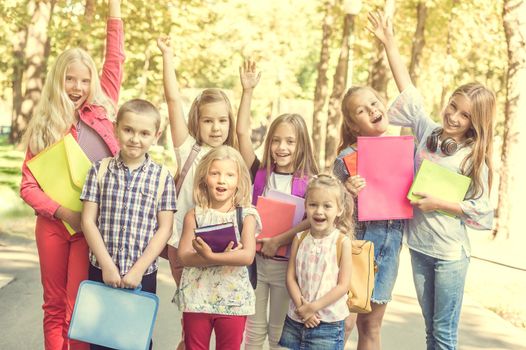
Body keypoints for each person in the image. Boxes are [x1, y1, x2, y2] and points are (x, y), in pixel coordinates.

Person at [369, 10, 495, 350]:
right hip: (420, 248)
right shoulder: (427, 132)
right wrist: (389, 42)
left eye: (464, 114)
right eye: (453, 106)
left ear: (475, 122)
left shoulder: (473, 157)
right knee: (429, 332)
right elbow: (408, 90)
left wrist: (440, 203)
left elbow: (483, 210)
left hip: (450, 254)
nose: (453, 116)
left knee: (443, 335)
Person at [19, 1, 123, 348]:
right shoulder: (45, 124)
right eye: (70, 79)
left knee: (77, 306)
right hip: (54, 225)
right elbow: (27, 187)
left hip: (88, 227)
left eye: (84, 79)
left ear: (93, 81)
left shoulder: (103, 107)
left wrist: (115, 9)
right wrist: (63, 213)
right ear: (58, 80)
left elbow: (115, 58)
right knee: (52, 304)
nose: (77, 86)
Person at [157, 36, 239, 349]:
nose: (216, 127)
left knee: (213, 320)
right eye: (208, 120)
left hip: (222, 250)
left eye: (222, 120)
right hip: (184, 247)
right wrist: (168, 56)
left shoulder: (234, 157)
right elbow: (173, 101)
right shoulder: (188, 150)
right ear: (198, 122)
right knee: (192, 320)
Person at [80, 99, 177, 349]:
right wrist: (107, 265)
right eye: (128, 130)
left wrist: (137, 270)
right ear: (116, 128)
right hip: (101, 270)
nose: (135, 138)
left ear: (156, 135)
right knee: (100, 339)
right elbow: (88, 221)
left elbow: (164, 228)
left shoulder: (162, 177)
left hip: (142, 274)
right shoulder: (99, 170)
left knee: (135, 340)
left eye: (144, 133)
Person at [237, 60, 319, 349]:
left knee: (278, 332)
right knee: (254, 330)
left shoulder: (310, 183)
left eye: (290, 142)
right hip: (257, 263)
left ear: (301, 146)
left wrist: (280, 240)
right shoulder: (260, 173)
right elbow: (243, 134)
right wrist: (247, 92)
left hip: (289, 268)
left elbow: (315, 218)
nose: (281, 148)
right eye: (276, 141)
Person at [333, 84, 404, 348]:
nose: (372, 111)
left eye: (374, 103)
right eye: (362, 111)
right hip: (357, 247)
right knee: (346, 322)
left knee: (371, 326)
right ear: (353, 125)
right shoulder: (346, 158)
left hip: (389, 247)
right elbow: (329, 204)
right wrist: (346, 192)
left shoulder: (402, 151)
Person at [175, 145, 262, 350]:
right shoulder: (194, 215)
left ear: (239, 180)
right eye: (215, 173)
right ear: (205, 177)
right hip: (197, 297)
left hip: (234, 301)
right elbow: (184, 256)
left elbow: (247, 256)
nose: (222, 180)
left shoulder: (246, 215)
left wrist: (210, 256)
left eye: (230, 175)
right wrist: (215, 256)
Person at [278, 174, 353, 350]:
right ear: (306, 206)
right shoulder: (299, 238)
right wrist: (302, 308)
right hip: (295, 320)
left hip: (328, 324)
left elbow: (343, 286)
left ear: (339, 209)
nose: (319, 211)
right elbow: (291, 277)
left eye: (327, 206)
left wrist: (313, 308)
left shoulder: (342, 242)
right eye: (313, 205)